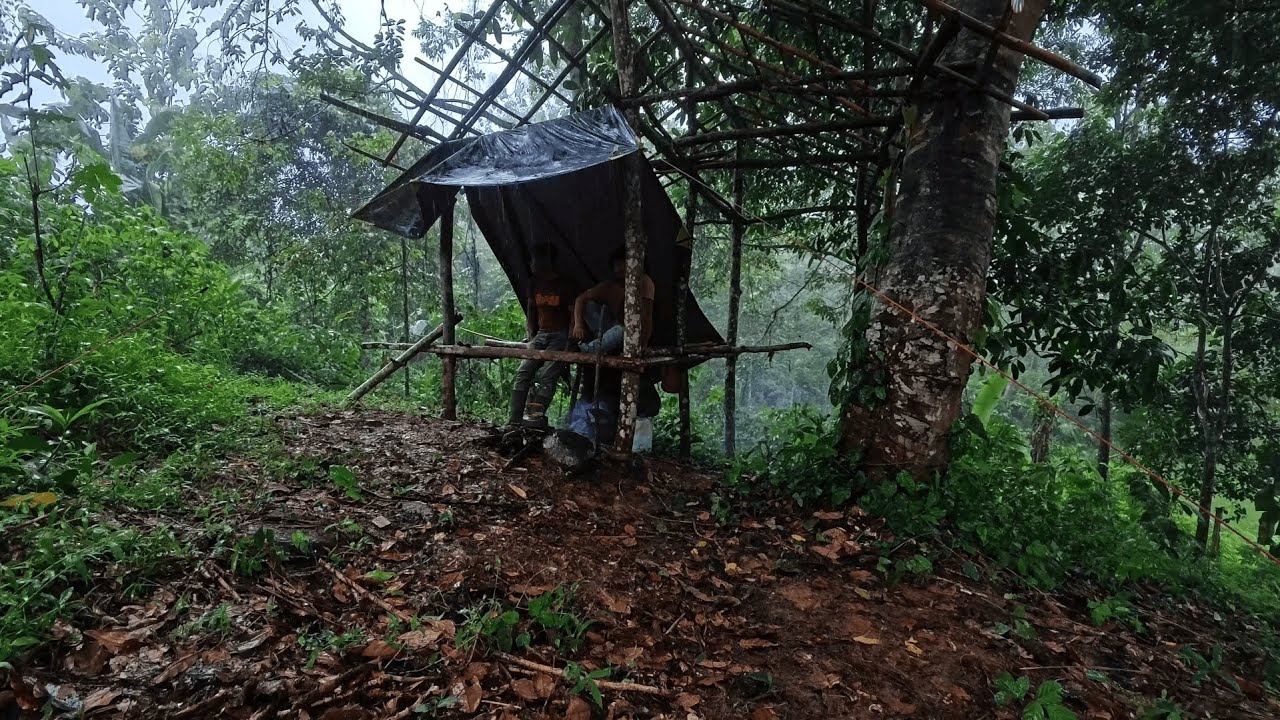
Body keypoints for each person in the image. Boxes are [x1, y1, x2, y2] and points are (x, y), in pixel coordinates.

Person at [509, 244, 573, 429]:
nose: (531, 264)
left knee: (548, 375)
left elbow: (572, 317)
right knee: (523, 371)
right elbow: (531, 310)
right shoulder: (534, 283)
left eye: (535, 261)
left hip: (559, 336)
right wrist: (531, 335)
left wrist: (569, 343)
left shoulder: (564, 285)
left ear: (547, 262)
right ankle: (513, 422)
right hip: (541, 335)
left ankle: (534, 418)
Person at [570, 247, 655, 354]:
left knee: (619, 331)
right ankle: (598, 341)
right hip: (610, 327)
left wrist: (643, 344)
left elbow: (647, 316)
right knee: (588, 305)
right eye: (616, 265)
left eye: (621, 264)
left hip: (631, 333)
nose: (618, 268)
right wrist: (578, 325)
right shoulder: (610, 286)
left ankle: (590, 349)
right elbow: (580, 299)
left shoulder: (644, 282)